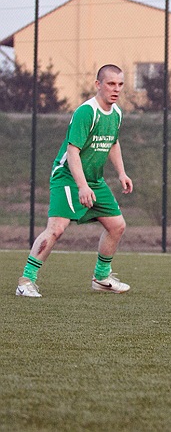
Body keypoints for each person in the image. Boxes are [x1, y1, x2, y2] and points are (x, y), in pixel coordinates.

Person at [16, 64, 134, 298]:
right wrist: (81, 186)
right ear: (98, 85)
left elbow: (113, 143)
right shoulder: (86, 112)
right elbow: (72, 152)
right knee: (57, 229)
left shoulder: (116, 113)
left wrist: (121, 173)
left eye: (120, 84)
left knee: (117, 225)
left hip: (94, 179)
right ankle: (26, 281)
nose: (116, 89)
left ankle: (101, 278)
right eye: (111, 84)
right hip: (68, 177)